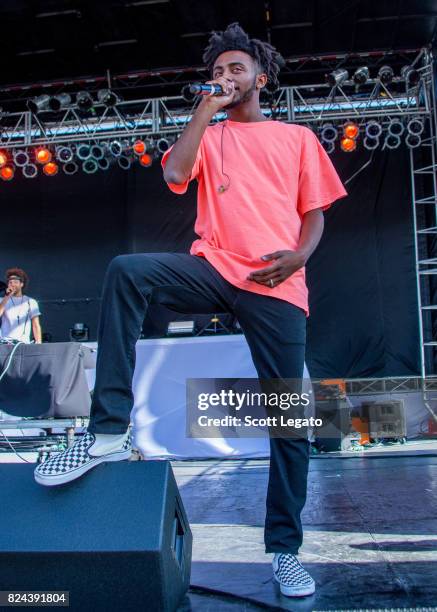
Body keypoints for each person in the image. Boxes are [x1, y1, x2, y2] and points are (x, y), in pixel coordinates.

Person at [34, 23, 347, 598]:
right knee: (127, 270)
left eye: (236, 69)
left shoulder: (297, 137)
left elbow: (316, 213)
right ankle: (107, 431)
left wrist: (298, 255)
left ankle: (284, 550)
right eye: (218, 70)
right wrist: (206, 110)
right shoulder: (211, 131)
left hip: (276, 282)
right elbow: (177, 174)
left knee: (289, 424)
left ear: (263, 76)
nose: (226, 77)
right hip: (215, 266)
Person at [0, 268, 42, 344]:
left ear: (21, 284)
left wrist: (38, 343)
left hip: (23, 343)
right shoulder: (2, 300)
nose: (12, 284)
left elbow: (36, 325)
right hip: (6, 343)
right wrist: (7, 297)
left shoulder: (31, 302)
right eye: (10, 282)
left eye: (15, 282)